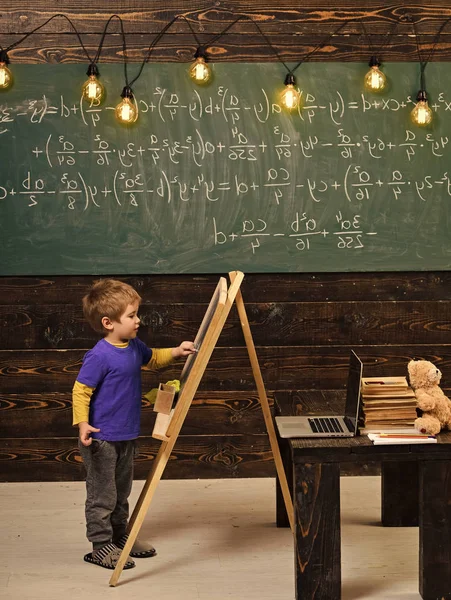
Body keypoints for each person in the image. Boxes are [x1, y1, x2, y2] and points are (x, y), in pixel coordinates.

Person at [72, 278, 196, 570]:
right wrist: (82, 423)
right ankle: (101, 546)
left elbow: (153, 358)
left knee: (121, 490)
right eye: (131, 315)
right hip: (101, 437)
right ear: (108, 322)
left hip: (126, 435)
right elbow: (81, 390)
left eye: (136, 313)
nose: (138, 320)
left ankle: (118, 538)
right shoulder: (99, 356)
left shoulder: (133, 346)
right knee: (103, 495)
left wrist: (177, 352)